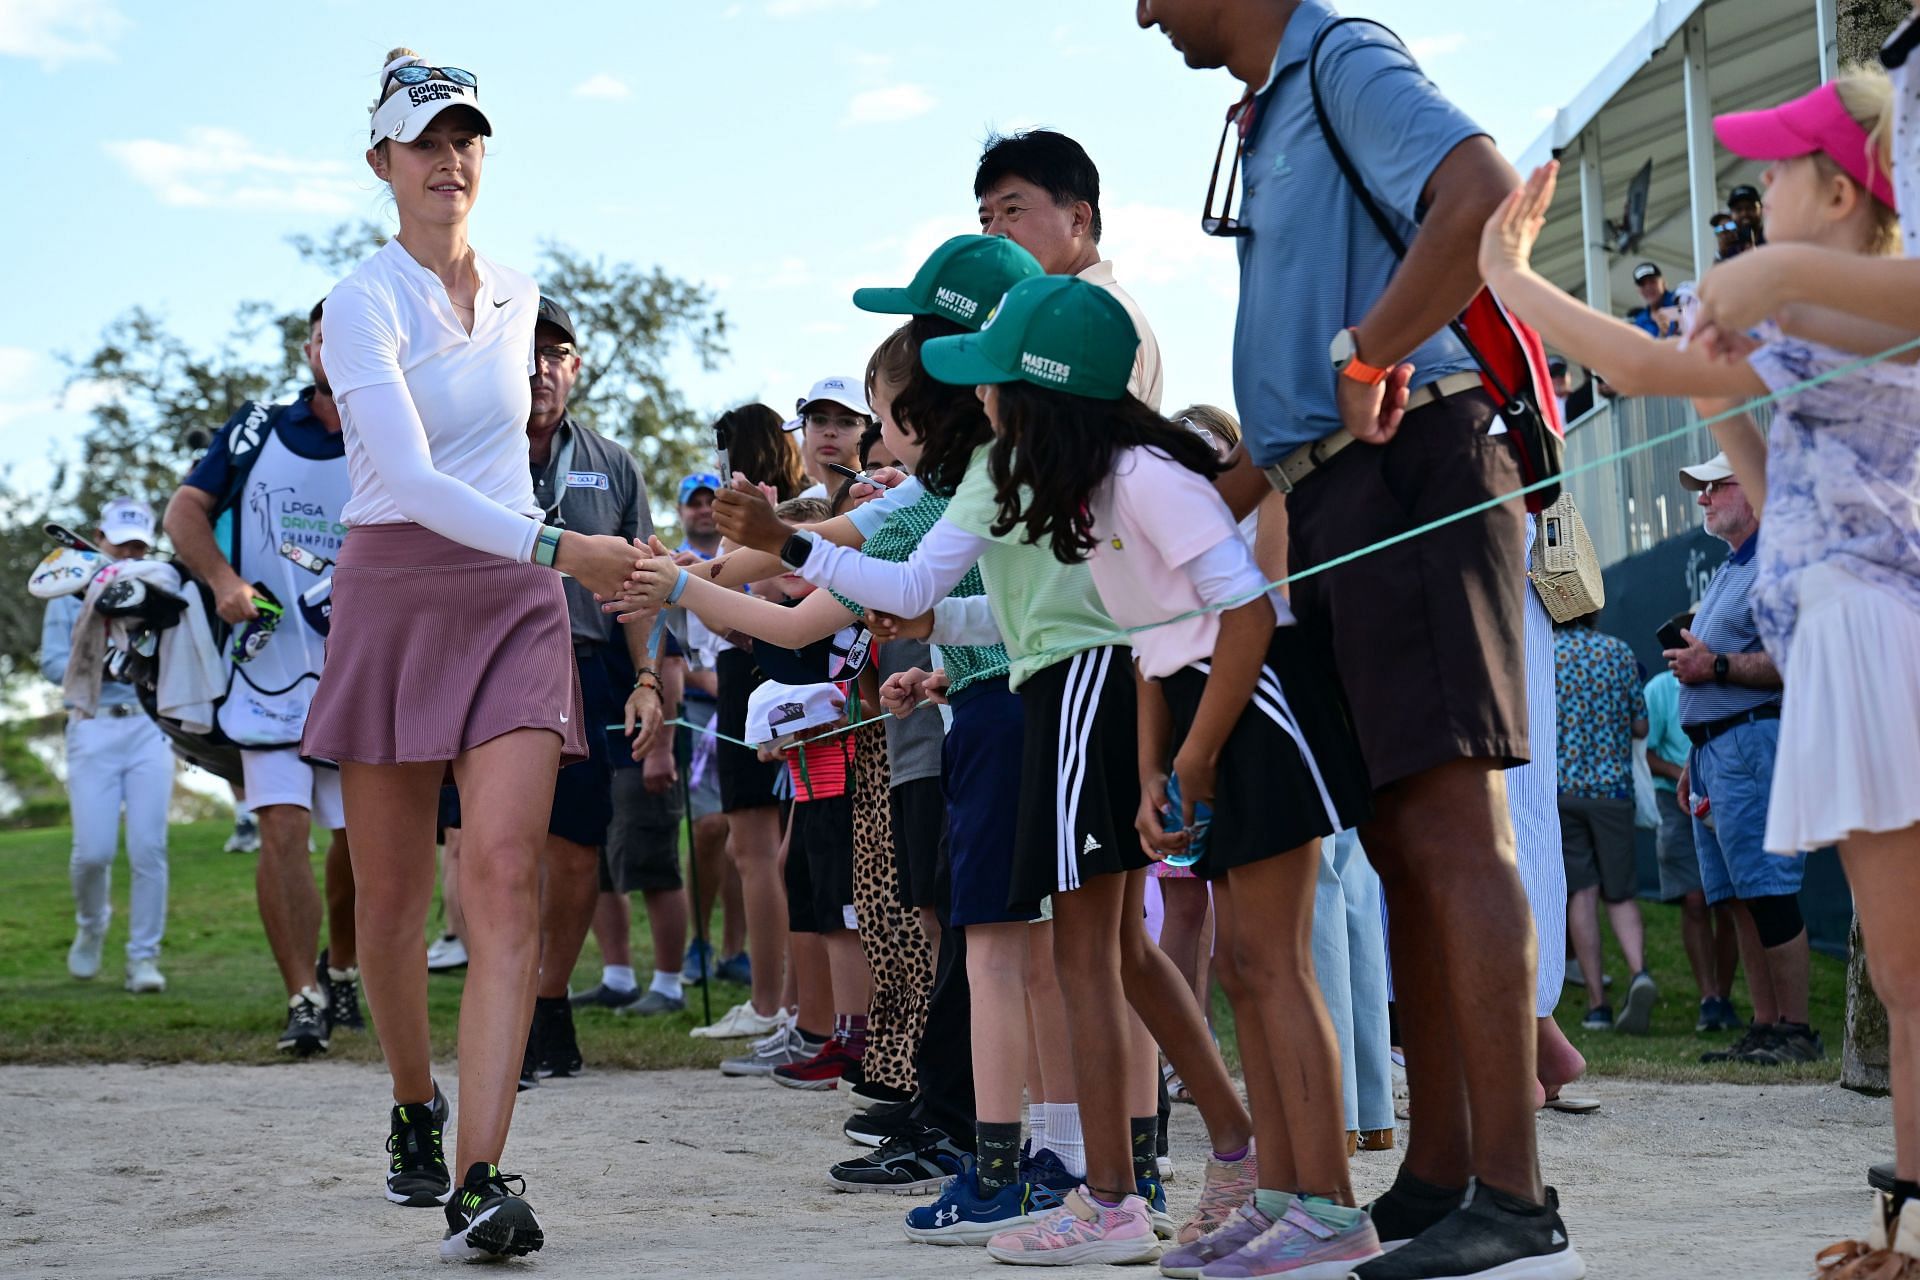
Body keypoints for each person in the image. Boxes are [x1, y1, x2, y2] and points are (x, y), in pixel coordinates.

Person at [1137, 5, 1580, 1277]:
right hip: (1327, 491)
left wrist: (1372, 348)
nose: (1146, 9)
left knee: (1451, 825)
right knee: (1397, 839)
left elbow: (1484, 193)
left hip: (1418, 462)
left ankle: (1517, 1196)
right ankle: (1442, 1177)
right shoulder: (1278, 99)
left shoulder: (1341, 56)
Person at [911, 274, 1376, 1269]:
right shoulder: (1087, 495)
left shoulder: (1143, 477)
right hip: (1204, 714)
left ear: (1044, 403)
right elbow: (1149, 644)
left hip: (1258, 715)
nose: (981, 406)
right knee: (1247, 971)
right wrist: (1155, 766)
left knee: (1274, 967)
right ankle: (1287, 1195)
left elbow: (1243, 616)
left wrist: (1195, 757)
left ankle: (1331, 1210)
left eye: (995, 386)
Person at [300, 50, 646, 1260]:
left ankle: (481, 1172)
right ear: (381, 162)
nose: (451, 160)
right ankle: (412, 1099)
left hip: (514, 599)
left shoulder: (518, 289)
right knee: (391, 903)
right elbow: (405, 477)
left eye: (468, 140)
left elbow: (494, 479)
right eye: (426, 140)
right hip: (396, 586)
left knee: (497, 879)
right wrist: (571, 545)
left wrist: (560, 560)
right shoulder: (361, 300)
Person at [452, 294, 666, 1086]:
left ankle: (545, 1005)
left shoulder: (612, 462)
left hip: (585, 664)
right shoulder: (466, 452)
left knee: (578, 857)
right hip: (485, 662)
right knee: (487, 852)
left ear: (575, 368)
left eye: (556, 353)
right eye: (526, 352)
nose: (540, 367)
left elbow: (646, 583)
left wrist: (647, 678)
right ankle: (499, 1010)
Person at [163, 298, 361, 1055]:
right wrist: (221, 583)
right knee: (282, 827)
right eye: (319, 337)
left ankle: (341, 965)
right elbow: (184, 511)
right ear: (309, 350)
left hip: (360, 672)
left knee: (358, 845)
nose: (328, 348)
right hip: (268, 666)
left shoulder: (396, 428)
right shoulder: (254, 428)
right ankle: (302, 996)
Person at [690, 404, 805, 1042]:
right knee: (784, 850)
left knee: (756, 852)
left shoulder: (748, 510)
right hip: (794, 670)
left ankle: (770, 1005)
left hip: (751, 673)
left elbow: (729, 613)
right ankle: (790, 1002)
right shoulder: (810, 504)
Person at [40, 498, 174, 996]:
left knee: (149, 847)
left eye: (138, 545)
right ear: (99, 540)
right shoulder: (67, 594)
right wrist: (111, 662)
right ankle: (92, 922)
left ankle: (143, 958)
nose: (128, 552)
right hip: (92, 724)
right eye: (120, 544)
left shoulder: (161, 591)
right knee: (92, 853)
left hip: (148, 726)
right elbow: (54, 665)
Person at [974, 128, 1164, 411]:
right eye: (986, 219)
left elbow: (1093, 447)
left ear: (1078, 218)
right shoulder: (1083, 309)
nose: (994, 234)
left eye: (1013, 210)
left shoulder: (1092, 319)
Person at [1552, 613, 1655, 1035]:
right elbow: (1641, 725)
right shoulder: (1618, 652)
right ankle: (1639, 972)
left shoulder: (1546, 655)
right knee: (1621, 892)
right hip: (1613, 791)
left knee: (1582, 892)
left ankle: (1598, 1005)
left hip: (1564, 789)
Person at [1644, 662, 1742, 1033]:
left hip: (1724, 798)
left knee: (1729, 905)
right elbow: (1647, 751)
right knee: (1695, 900)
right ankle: (1708, 998)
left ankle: (1724, 997)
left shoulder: (1724, 682)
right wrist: (1685, 776)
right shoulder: (1658, 689)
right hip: (1676, 802)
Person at [790, 377, 874, 500]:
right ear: (804, 430)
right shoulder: (808, 497)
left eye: (846, 422)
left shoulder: (879, 498)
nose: (830, 432)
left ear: (868, 432)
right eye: (819, 420)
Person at [1627, 262, 1681, 338]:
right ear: (1638, 290)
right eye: (1642, 284)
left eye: (1652, 281)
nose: (1648, 288)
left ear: (1663, 283)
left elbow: (1693, 311)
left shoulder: (1680, 298)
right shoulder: (1640, 322)